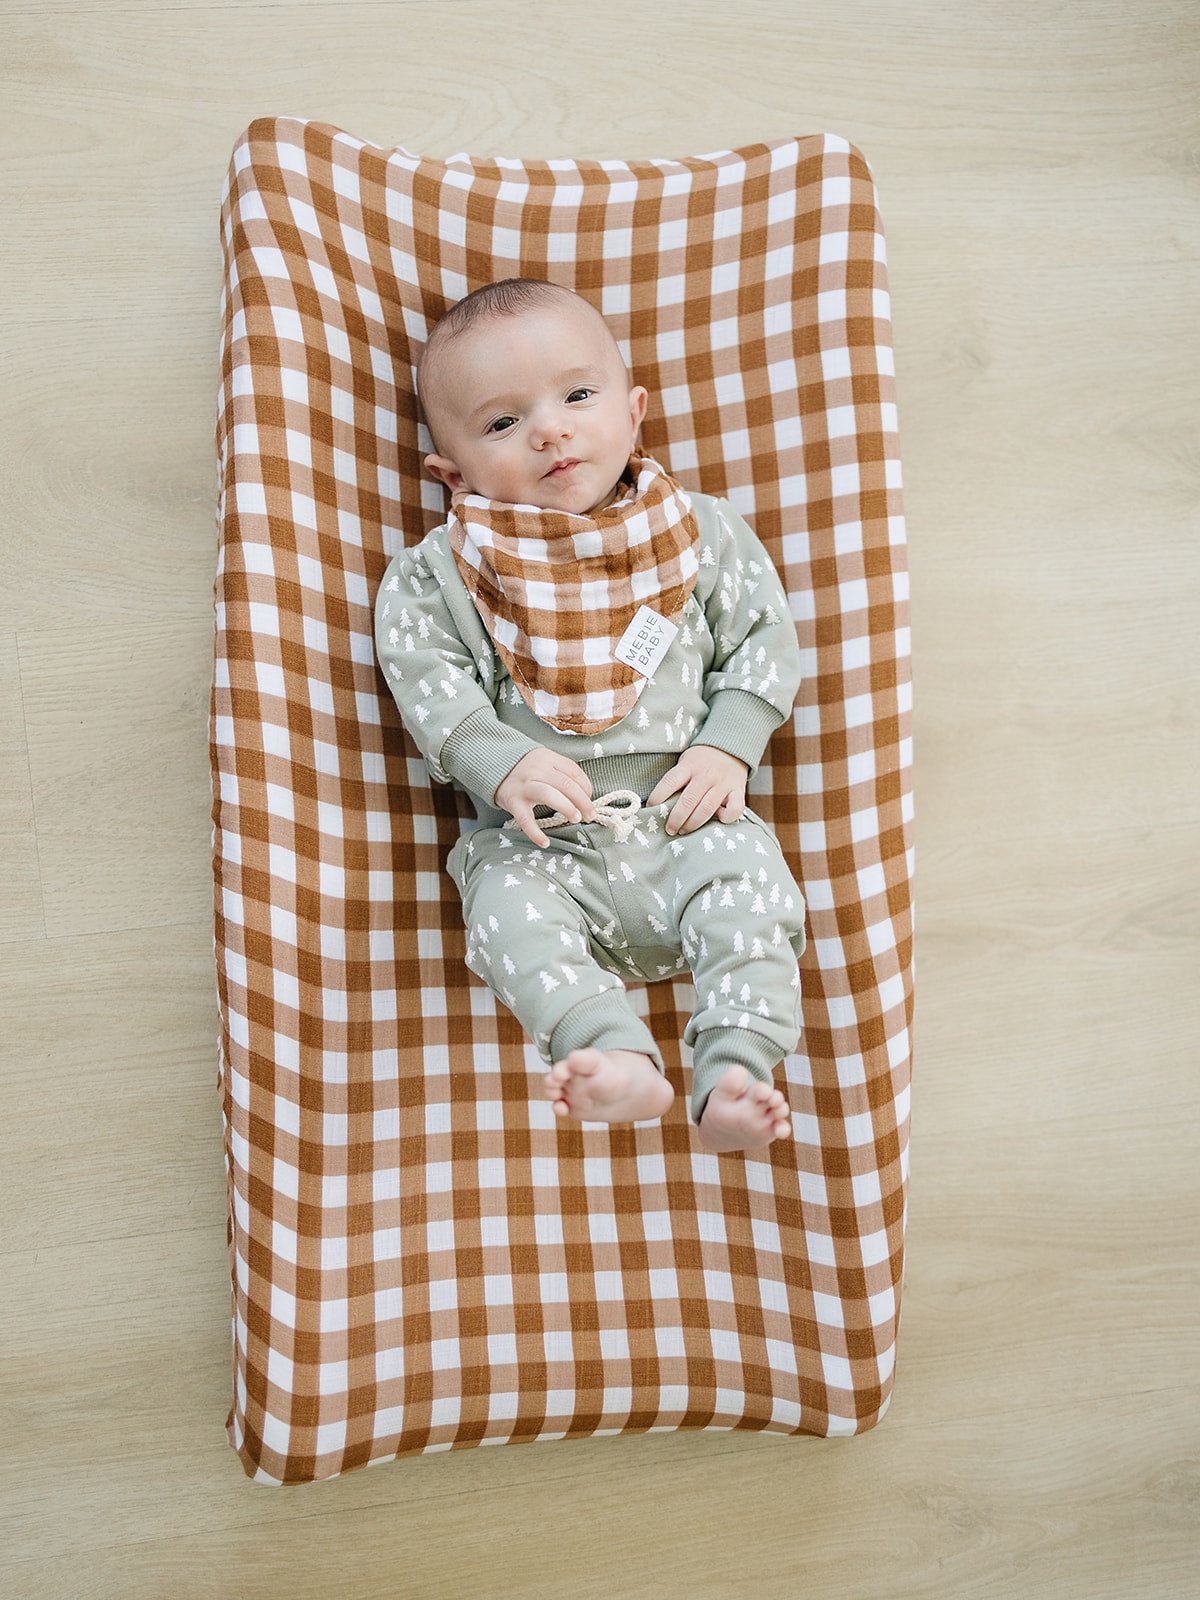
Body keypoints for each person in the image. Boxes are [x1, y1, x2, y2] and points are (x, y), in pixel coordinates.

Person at [374, 279, 806, 1153]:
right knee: (505, 911)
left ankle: (736, 1066)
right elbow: (426, 680)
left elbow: (763, 638)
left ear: (634, 412)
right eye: (503, 422)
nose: (550, 430)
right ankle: (608, 1052)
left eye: (578, 396)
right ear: (451, 473)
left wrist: (730, 746)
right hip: (544, 847)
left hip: (689, 817)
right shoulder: (437, 576)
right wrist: (497, 759)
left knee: (752, 899)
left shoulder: (701, 533)